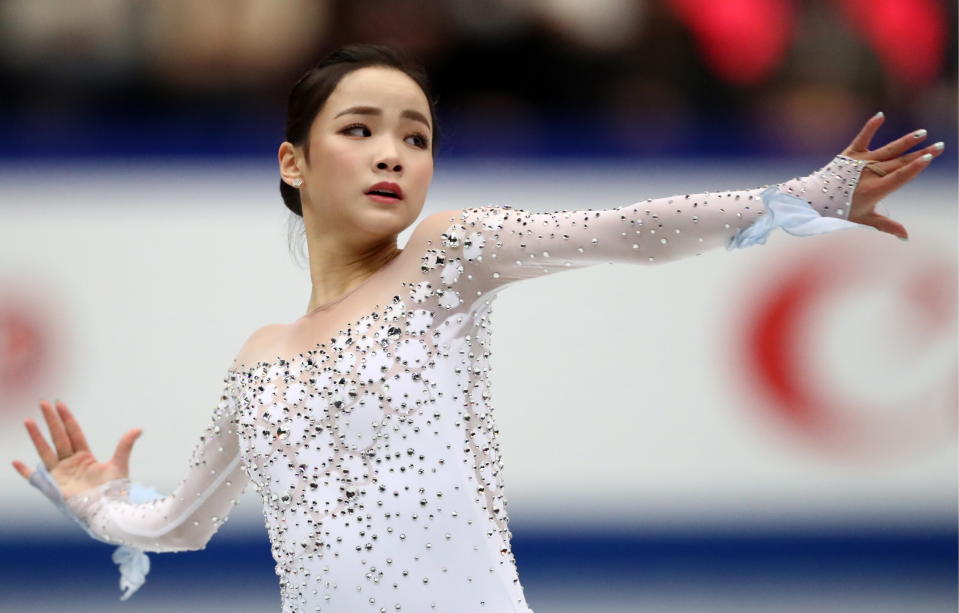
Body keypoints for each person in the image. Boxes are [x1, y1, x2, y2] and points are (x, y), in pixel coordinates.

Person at [11, 43, 943, 612]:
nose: (393, 153)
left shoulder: (451, 256)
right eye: (362, 129)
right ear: (292, 162)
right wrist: (95, 500)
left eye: (415, 137)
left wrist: (796, 201)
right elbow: (177, 525)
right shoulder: (261, 359)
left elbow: (628, 233)